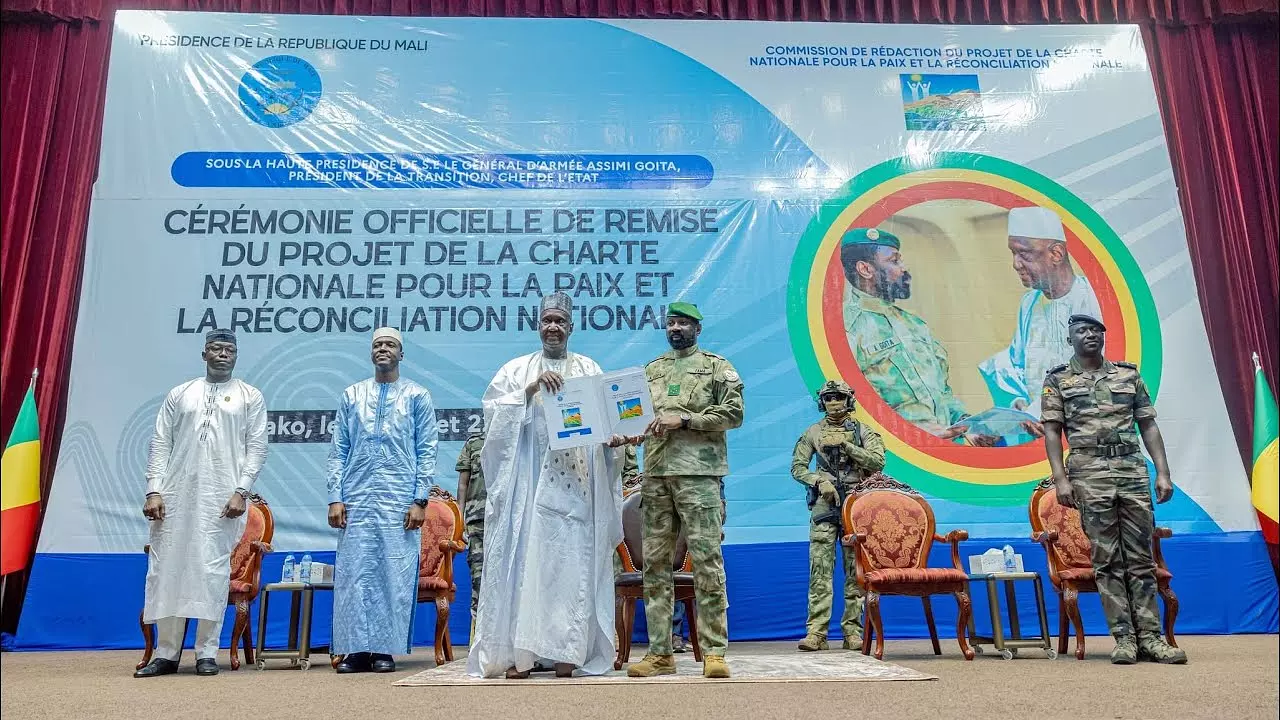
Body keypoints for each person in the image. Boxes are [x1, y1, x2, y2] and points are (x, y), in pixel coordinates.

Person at [467, 292, 626, 679]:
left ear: (571, 327)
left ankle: (566, 651)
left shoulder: (589, 368)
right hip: (528, 487)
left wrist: (614, 441)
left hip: (577, 489)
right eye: (547, 320)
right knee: (525, 564)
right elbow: (494, 416)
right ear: (538, 325)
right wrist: (532, 390)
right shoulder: (517, 370)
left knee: (570, 567)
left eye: (560, 321)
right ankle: (520, 654)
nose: (552, 326)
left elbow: (608, 424)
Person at [1041, 314, 1186, 665]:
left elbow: (1148, 424)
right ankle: (1123, 639)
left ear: (1103, 336)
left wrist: (1162, 472)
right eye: (1081, 331)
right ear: (1071, 339)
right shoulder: (1058, 380)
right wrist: (1061, 479)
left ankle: (1151, 638)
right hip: (1089, 472)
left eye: (1095, 330)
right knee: (1106, 558)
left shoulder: (1127, 375)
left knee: (1140, 557)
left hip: (1131, 470)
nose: (1089, 335)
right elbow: (1051, 432)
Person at [135, 329, 268, 678]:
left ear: (236, 356)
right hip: (174, 497)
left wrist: (242, 490)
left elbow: (256, 447)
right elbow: (160, 443)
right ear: (203, 353)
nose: (222, 354)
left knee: (210, 571)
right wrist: (154, 490)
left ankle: (207, 653)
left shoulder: (249, 396)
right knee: (168, 570)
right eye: (216, 349)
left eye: (229, 350)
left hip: (221, 498)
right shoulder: (181, 393)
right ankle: (166, 654)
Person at [627, 301, 743, 680]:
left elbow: (734, 414)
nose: (675, 328)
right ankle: (660, 653)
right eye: (671, 323)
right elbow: (636, 417)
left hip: (699, 476)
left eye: (683, 323)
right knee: (655, 566)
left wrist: (687, 419)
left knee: (708, 561)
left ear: (697, 328)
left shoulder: (716, 366)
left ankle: (714, 652)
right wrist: (621, 431)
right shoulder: (652, 370)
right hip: (656, 476)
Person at [327, 327, 438, 674]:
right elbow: (338, 450)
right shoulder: (352, 395)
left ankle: (383, 650)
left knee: (393, 571)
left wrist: (420, 499)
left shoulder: (418, 396)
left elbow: (427, 450)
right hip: (356, 497)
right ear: (370, 353)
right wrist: (335, 496)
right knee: (355, 572)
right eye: (377, 345)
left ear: (401, 354)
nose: (383, 350)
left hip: (399, 498)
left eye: (390, 345)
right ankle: (355, 649)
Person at [840, 227, 981, 443]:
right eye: (894, 261)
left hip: (947, 452)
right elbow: (849, 411)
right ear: (865, 269)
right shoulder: (847, 329)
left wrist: (966, 423)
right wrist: (913, 436)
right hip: (897, 461)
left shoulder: (913, 324)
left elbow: (942, 393)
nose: (904, 269)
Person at [980, 206, 1102, 424]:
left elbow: (1091, 372)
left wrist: (1039, 410)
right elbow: (1015, 361)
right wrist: (1017, 400)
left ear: (1056, 254)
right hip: (1041, 430)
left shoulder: (1093, 298)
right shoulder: (1030, 302)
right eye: (1013, 254)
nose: (1015, 264)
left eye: (1024, 254)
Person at [791, 380, 885, 652]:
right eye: (828, 398)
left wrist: (848, 447)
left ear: (848, 400)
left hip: (855, 508)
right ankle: (816, 632)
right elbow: (797, 467)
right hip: (824, 506)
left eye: (838, 397)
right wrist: (819, 481)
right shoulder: (813, 432)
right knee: (819, 570)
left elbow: (878, 462)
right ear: (822, 402)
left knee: (854, 572)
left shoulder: (862, 431)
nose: (833, 403)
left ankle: (852, 632)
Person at [456, 429, 487, 634]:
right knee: (479, 578)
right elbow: (463, 484)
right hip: (477, 520)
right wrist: (460, 518)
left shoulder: (515, 435)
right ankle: (478, 638)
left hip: (508, 518)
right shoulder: (473, 442)